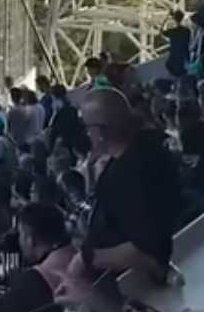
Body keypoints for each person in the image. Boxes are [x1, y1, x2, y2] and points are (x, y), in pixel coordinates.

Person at [74, 89, 182, 283]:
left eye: (86, 127)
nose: (86, 133)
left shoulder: (125, 176)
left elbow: (146, 251)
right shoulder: (152, 149)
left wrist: (86, 258)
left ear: (99, 132)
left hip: (134, 288)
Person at [162, 10, 191, 79]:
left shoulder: (172, 32)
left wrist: (166, 18)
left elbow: (161, 31)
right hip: (184, 56)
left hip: (173, 57)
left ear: (174, 19)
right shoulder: (186, 31)